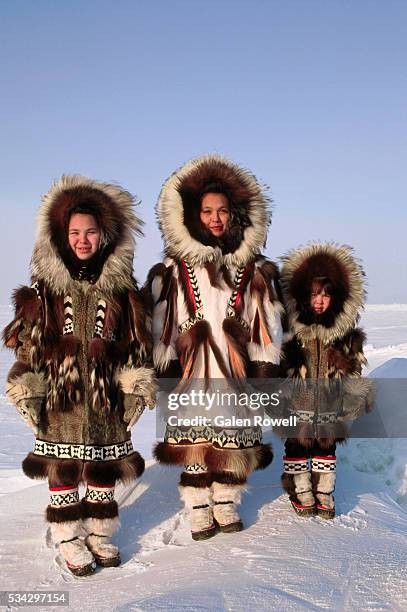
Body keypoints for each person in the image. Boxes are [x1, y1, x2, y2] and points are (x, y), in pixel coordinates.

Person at [3, 176, 155, 575]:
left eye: (91, 232)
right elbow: (28, 346)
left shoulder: (124, 291)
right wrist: (26, 386)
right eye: (75, 232)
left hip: (106, 400)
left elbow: (136, 346)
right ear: (61, 235)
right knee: (64, 467)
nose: (83, 240)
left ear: (105, 236)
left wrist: (135, 386)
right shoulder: (44, 291)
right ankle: (69, 537)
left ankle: (100, 533)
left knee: (103, 467)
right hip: (61, 400)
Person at [147, 154, 283, 540]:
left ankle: (225, 502)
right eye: (207, 211)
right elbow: (162, 322)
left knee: (233, 440)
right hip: (192, 371)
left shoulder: (254, 270)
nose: (215, 218)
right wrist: (166, 365)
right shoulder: (173, 270)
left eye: (223, 210)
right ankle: (198, 507)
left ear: (237, 214)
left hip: (234, 371)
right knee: (195, 444)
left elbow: (267, 321)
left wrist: (264, 367)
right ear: (192, 214)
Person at [279, 243, 371, 519]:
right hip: (298, 404)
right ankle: (300, 489)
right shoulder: (293, 333)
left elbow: (354, 369)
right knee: (296, 445)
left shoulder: (344, 335)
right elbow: (280, 365)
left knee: (326, 448)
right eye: (314, 294)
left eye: (326, 295)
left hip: (331, 404)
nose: (320, 301)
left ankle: (323, 491)